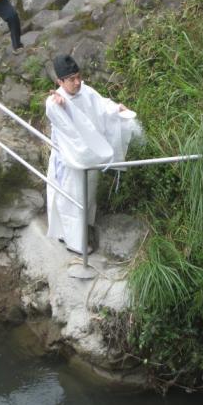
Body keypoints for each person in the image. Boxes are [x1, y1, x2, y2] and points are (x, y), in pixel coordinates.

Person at [45, 54, 141, 255]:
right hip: (70, 160)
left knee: (87, 197)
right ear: (60, 81)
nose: (77, 82)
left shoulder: (85, 91)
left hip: (90, 154)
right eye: (71, 79)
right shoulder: (53, 102)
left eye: (78, 77)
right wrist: (64, 106)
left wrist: (117, 109)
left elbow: (102, 105)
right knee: (71, 199)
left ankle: (84, 232)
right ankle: (73, 241)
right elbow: (64, 122)